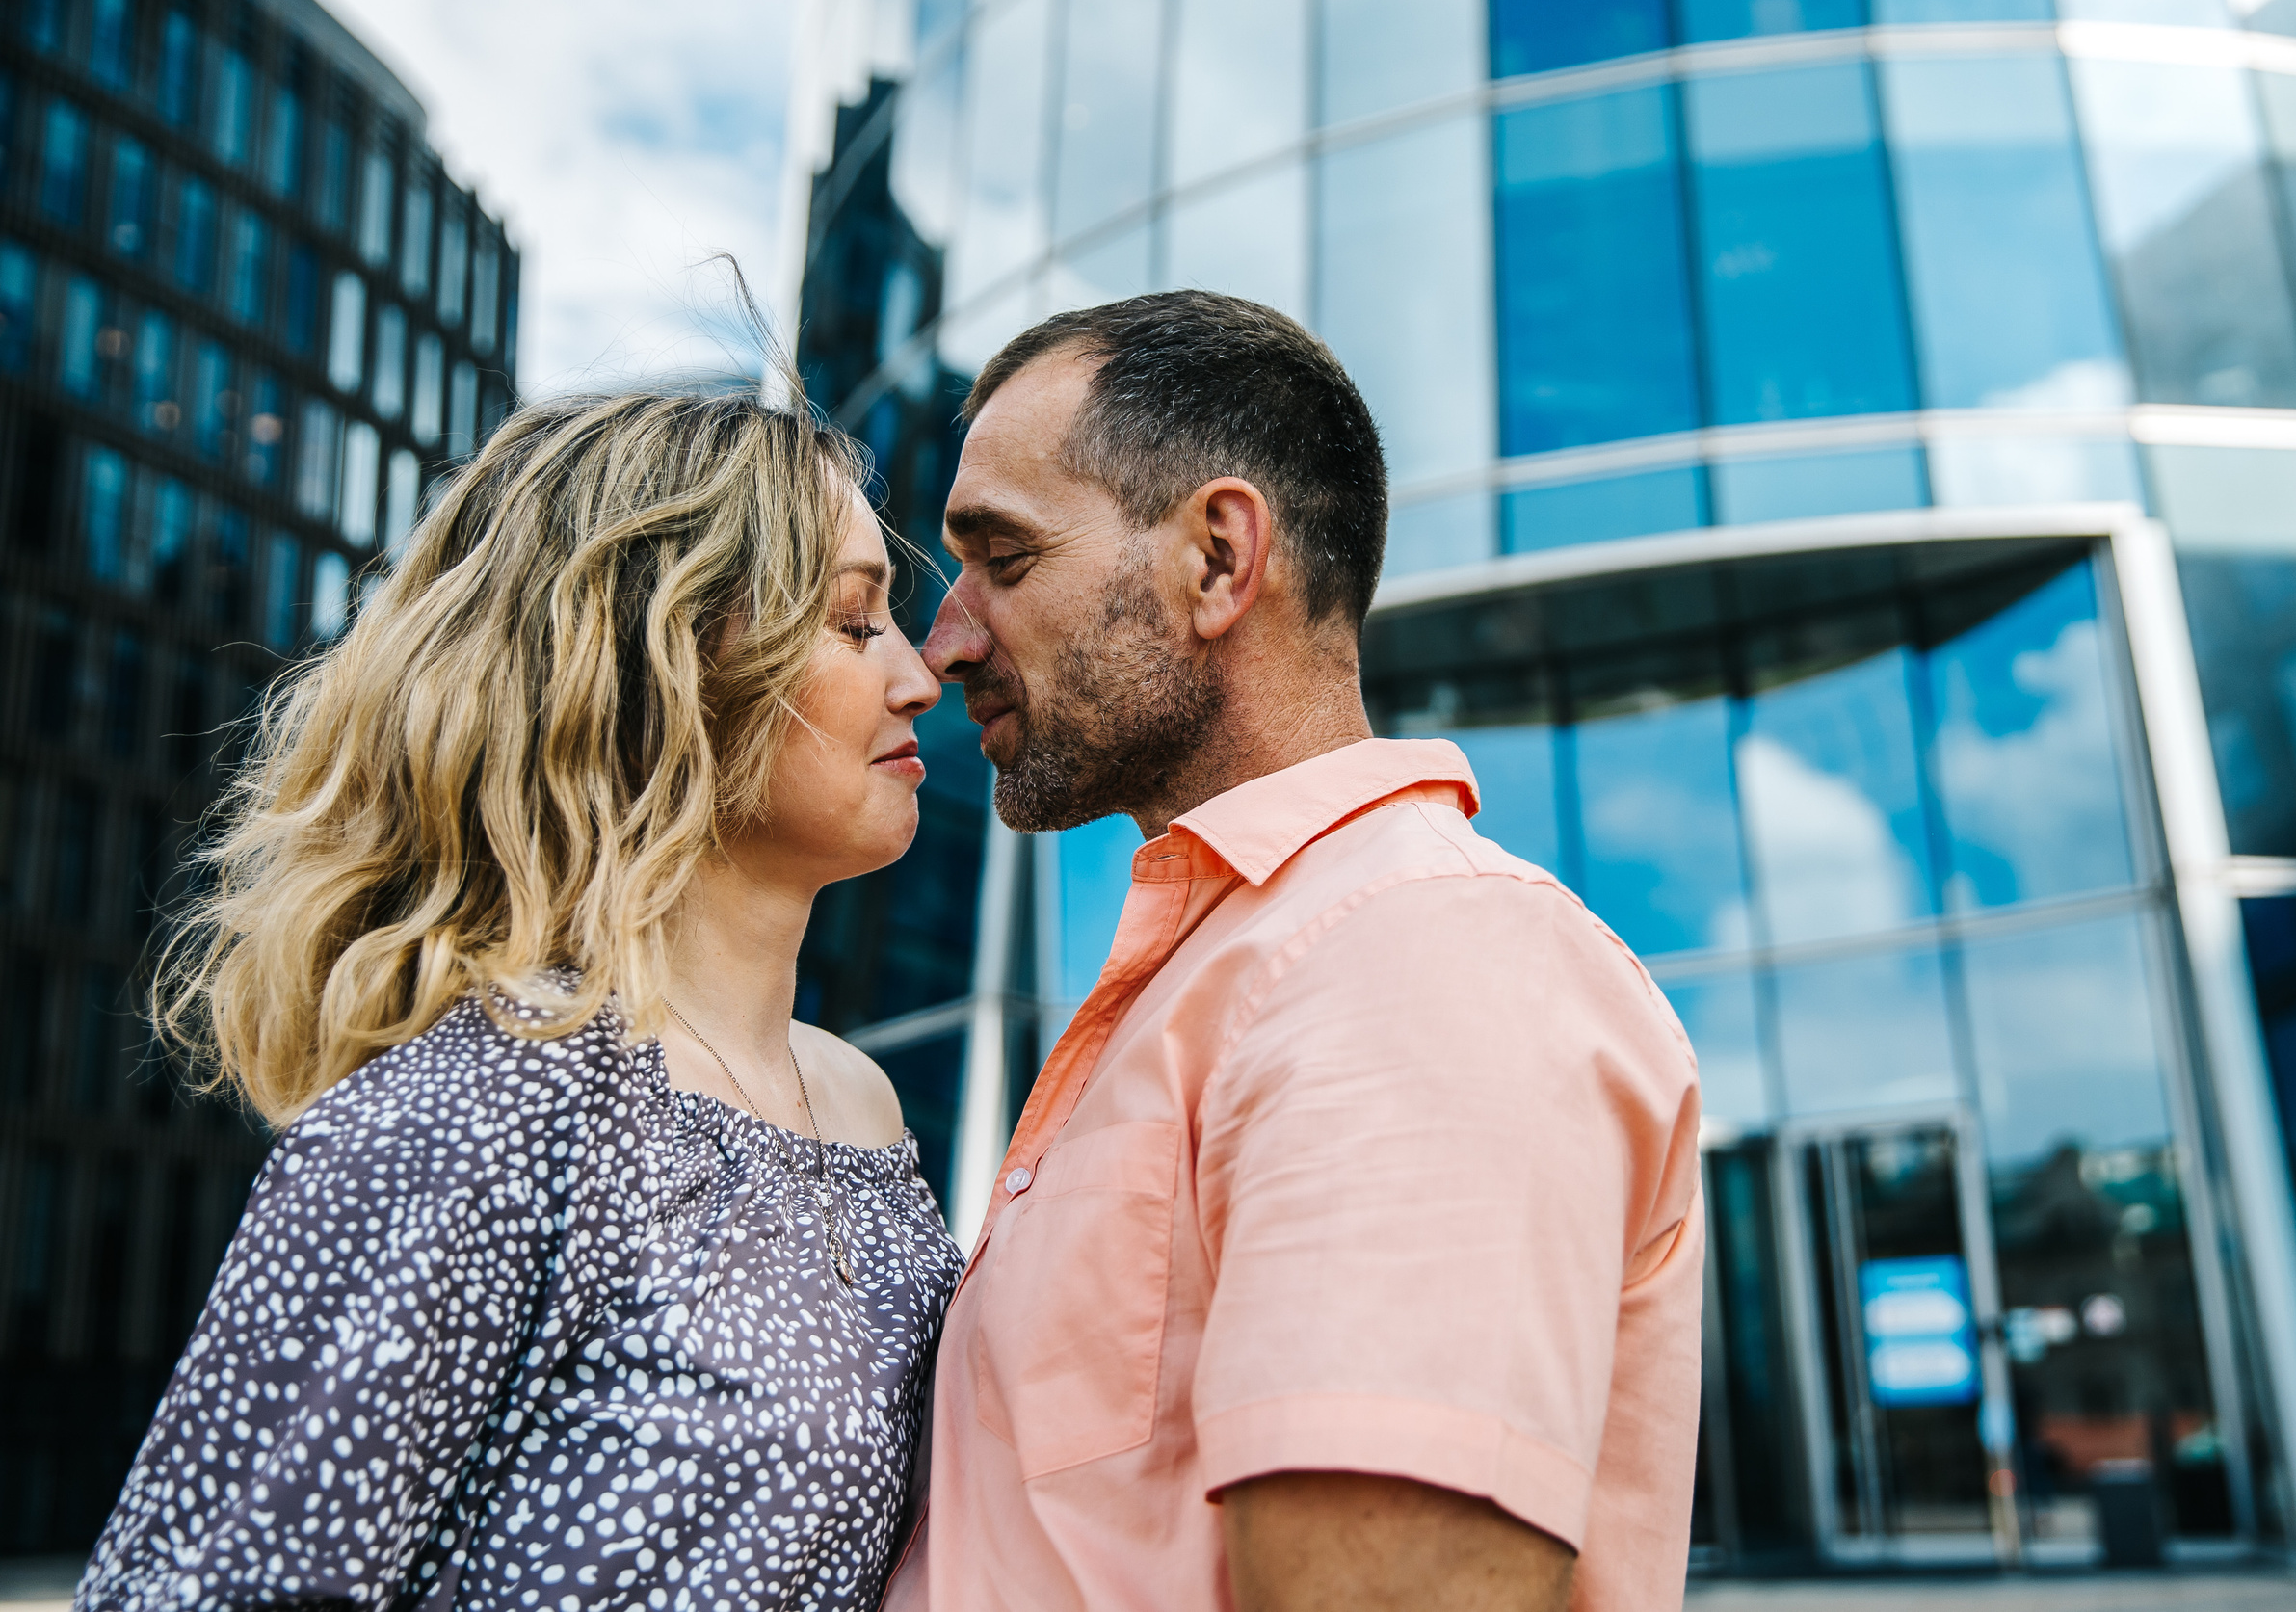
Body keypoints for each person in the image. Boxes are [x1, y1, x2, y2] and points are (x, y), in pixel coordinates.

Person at [885, 291, 1703, 1612]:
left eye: (1007, 557)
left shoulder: (1417, 958)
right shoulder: (1248, 969)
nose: (946, 643)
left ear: (1219, 558)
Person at [77, 392, 963, 1611]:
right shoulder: (495, 1096)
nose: (919, 677)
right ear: (657, 667)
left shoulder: (861, 1104)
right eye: (854, 622)